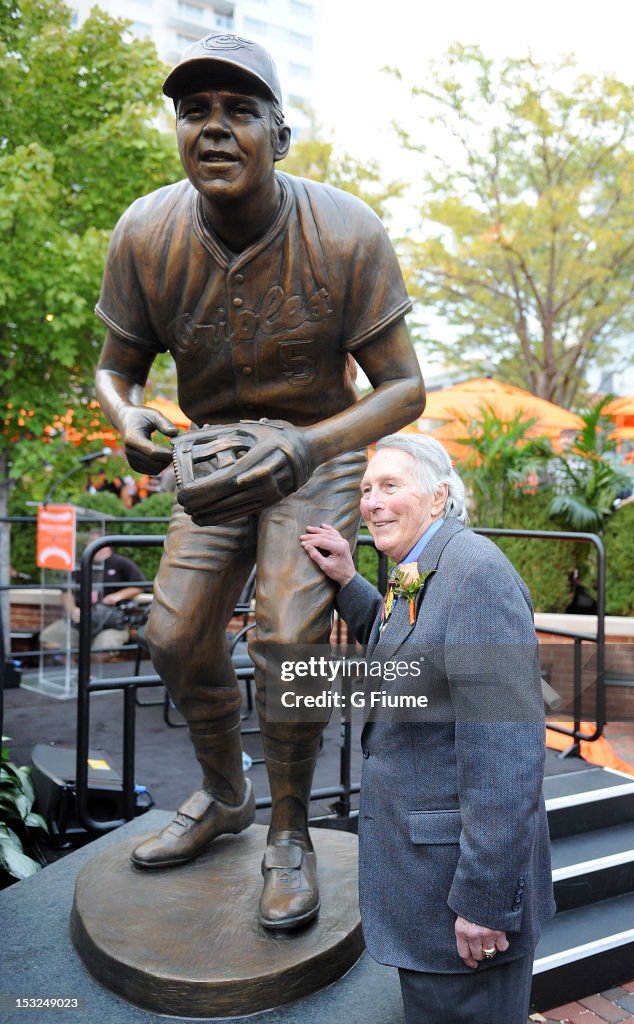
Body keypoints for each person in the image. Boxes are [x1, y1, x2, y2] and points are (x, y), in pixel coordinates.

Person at [94, 32, 424, 930]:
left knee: (286, 638)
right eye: (194, 112)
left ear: (279, 136)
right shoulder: (145, 231)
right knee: (172, 635)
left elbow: (405, 388)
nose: (213, 129)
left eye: (239, 111)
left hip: (319, 449)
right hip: (211, 459)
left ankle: (290, 833)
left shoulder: (347, 231)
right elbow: (114, 369)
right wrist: (127, 418)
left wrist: (310, 451)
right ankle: (223, 795)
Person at [301, 434, 554, 1024]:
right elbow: (406, 649)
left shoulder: (475, 575)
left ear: (438, 497)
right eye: (367, 489)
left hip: (462, 902)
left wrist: (486, 901)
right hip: (429, 888)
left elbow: (507, 754)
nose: (371, 502)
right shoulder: (422, 565)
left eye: (390, 486)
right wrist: (348, 582)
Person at [40, 536, 145, 656]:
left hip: (110, 623)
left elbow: (139, 585)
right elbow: (66, 591)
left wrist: (117, 596)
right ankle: (76, 670)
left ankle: (92, 673)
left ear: (106, 544)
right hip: (80, 621)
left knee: (102, 648)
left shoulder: (120, 563)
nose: (89, 544)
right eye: (89, 542)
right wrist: (73, 610)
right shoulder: (81, 564)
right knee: (48, 637)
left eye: (94, 541)